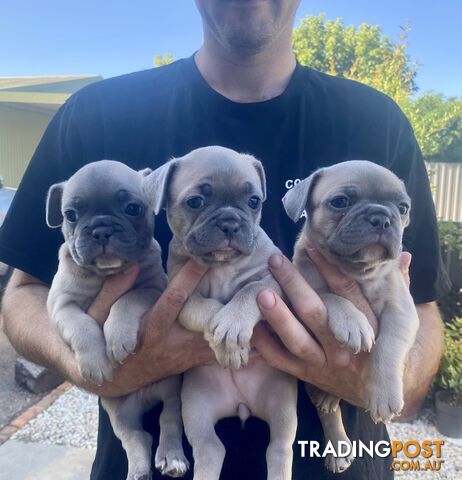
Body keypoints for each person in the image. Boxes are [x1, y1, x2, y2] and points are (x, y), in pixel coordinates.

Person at [0, 1, 450, 479]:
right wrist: (92, 361)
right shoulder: (95, 113)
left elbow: (420, 306)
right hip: (156, 459)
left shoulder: (378, 120)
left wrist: (385, 371)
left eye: (250, 205)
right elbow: (24, 294)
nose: (232, 222)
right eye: (195, 202)